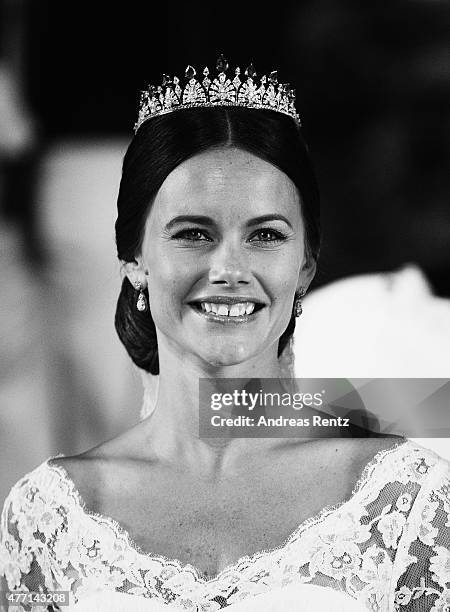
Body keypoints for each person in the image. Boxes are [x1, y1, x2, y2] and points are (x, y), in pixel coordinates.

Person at [1, 56, 449, 612]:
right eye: (193, 233)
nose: (229, 269)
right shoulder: (51, 512)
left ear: (306, 265)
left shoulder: (405, 499)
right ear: (134, 260)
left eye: (265, 235)